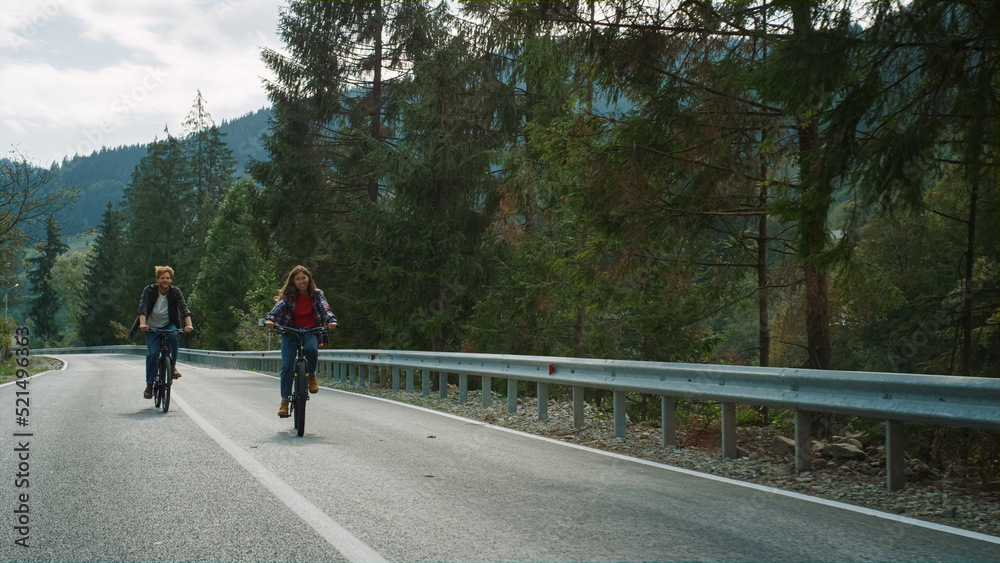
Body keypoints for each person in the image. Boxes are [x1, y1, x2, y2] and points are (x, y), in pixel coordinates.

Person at [264, 265, 338, 418]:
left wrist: (331, 320)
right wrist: (271, 318)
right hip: (291, 331)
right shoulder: (289, 295)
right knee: (287, 366)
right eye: (297, 279)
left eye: (303, 277)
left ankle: (311, 375)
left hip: (310, 330)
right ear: (293, 281)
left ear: (308, 278)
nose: (301, 281)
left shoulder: (317, 294)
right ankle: (284, 402)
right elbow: (279, 307)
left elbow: (325, 308)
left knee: (311, 350)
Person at [135, 265, 193, 399]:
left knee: (174, 336)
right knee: (153, 354)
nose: (165, 280)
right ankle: (149, 385)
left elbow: (183, 308)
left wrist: (189, 325)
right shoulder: (149, 290)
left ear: (171, 280)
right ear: (157, 279)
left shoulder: (175, 292)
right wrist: (143, 323)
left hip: (168, 324)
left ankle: (172, 367)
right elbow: (143, 308)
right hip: (151, 326)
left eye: (168, 278)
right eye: (162, 278)